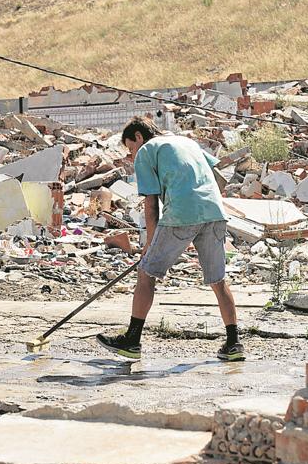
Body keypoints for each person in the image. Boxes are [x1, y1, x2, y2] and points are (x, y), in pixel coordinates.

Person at [96, 116, 244, 362]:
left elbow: (151, 204)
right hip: (215, 211)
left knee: (146, 273)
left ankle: (132, 341)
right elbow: (218, 173)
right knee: (218, 280)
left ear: (139, 137)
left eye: (131, 148)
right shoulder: (186, 142)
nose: (133, 155)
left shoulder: (146, 151)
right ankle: (233, 343)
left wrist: (149, 244)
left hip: (181, 213)